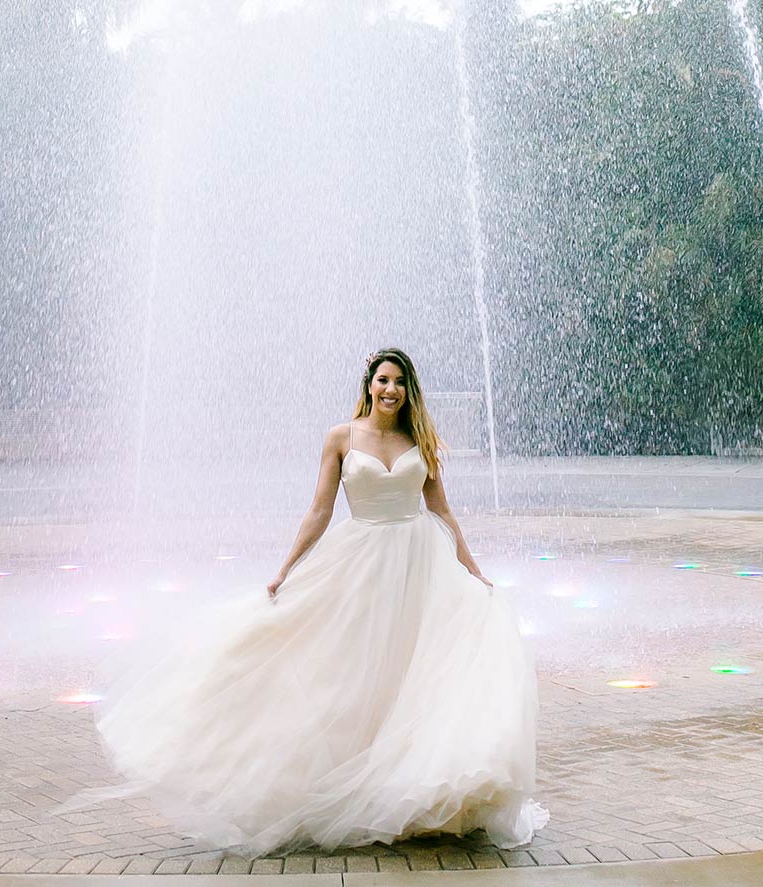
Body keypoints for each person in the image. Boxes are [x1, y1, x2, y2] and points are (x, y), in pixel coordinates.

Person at [93, 348, 548, 854]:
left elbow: (442, 513)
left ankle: (412, 794)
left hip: (420, 567)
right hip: (362, 564)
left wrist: (474, 571)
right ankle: (343, 785)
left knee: (416, 674)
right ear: (369, 385)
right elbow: (320, 510)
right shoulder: (341, 437)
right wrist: (287, 568)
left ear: (410, 389)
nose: (390, 390)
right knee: (351, 674)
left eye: (399, 382)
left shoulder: (421, 440)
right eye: (383, 380)